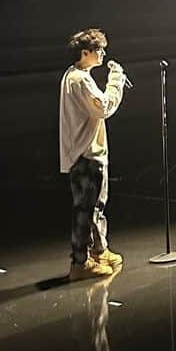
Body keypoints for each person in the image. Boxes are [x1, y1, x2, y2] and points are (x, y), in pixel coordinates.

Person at [60, 28, 127, 281]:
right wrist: (116, 80)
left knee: (96, 207)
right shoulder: (79, 79)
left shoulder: (78, 76)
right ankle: (80, 262)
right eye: (99, 50)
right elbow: (103, 107)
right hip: (86, 154)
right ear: (85, 52)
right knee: (85, 209)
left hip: (91, 152)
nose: (103, 54)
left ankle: (99, 250)